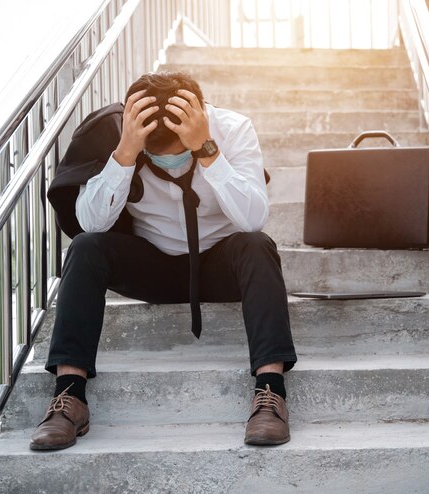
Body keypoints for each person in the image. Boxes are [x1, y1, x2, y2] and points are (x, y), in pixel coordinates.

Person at [30, 72, 297, 450]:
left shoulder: (233, 129)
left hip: (220, 265)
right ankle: (69, 396)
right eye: (158, 156)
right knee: (86, 247)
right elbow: (90, 224)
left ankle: (271, 393)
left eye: (178, 154)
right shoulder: (118, 134)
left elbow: (253, 217)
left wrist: (206, 150)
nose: (170, 164)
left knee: (258, 244)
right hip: (151, 265)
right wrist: (124, 153)